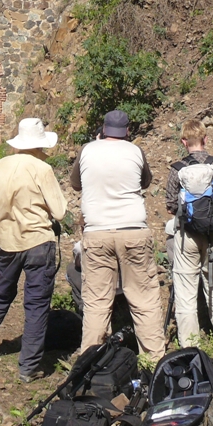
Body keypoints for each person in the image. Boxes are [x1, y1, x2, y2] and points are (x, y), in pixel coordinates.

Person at [0, 117, 67, 382]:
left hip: (6, 240)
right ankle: (29, 367)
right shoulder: (42, 169)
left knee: (2, 290)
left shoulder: (0, 165)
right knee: (36, 303)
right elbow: (59, 211)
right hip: (37, 241)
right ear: (40, 145)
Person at [69, 109, 166, 365]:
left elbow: (75, 183)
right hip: (133, 230)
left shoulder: (88, 150)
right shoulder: (135, 151)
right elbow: (145, 182)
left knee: (97, 302)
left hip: (97, 231)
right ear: (127, 131)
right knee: (144, 299)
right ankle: (154, 362)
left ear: (102, 129)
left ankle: (91, 364)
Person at [165, 119, 213, 347]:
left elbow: (170, 204)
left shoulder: (177, 170)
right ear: (206, 139)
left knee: (186, 290)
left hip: (187, 236)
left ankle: (190, 343)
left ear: (183, 141)